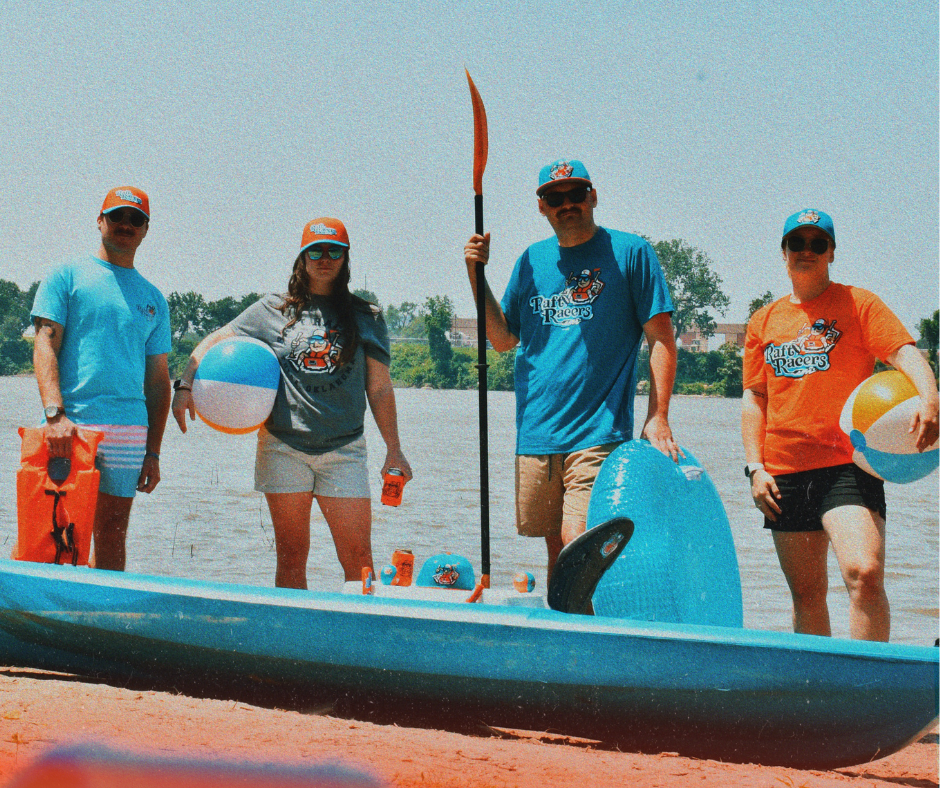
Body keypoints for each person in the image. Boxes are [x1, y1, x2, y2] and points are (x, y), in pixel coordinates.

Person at [463, 159, 680, 580]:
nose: (567, 204)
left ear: (593, 196)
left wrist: (658, 416)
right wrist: (476, 276)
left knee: (576, 541)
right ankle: (564, 638)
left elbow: (662, 339)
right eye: (555, 198)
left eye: (576, 194)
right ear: (541, 207)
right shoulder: (530, 260)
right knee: (556, 552)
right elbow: (504, 339)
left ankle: (591, 639)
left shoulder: (631, 253)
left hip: (599, 431)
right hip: (538, 431)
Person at [172, 217, 411, 589]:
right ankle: (291, 640)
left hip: (345, 450)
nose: (324, 258)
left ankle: (359, 639)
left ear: (346, 259)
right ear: (302, 257)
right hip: (283, 448)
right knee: (291, 556)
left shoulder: (367, 316)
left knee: (360, 561)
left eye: (335, 251)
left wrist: (394, 450)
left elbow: (379, 389)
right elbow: (217, 338)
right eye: (315, 250)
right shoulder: (273, 308)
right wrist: (185, 384)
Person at [742, 208, 939, 642]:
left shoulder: (858, 303)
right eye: (798, 243)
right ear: (784, 252)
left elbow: (903, 352)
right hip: (784, 471)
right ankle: (818, 697)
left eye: (818, 244)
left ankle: (871, 690)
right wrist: (755, 468)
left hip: (848, 464)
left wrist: (930, 397)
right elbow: (755, 398)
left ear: (832, 253)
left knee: (863, 572)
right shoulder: (763, 321)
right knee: (807, 594)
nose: (807, 251)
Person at [31, 186, 172, 571]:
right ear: (100, 221)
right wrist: (54, 415)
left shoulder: (154, 298)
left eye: (135, 219)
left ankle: (101, 623)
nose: (125, 225)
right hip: (72, 424)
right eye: (117, 216)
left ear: (145, 229)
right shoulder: (66, 275)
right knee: (56, 533)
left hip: (130, 431)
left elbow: (159, 382)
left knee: (112, 534)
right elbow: (44, 345)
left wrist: (153, 453)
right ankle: (50, 619)